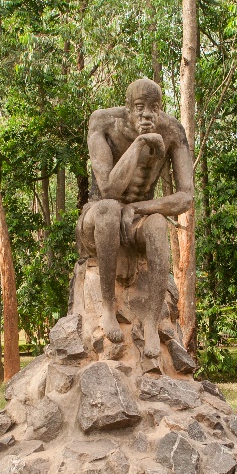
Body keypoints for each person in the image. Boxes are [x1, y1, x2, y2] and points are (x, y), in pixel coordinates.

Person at [76, 78, 195, 358]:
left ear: (160, 108)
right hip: (98, 217)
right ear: (128, 108)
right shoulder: (104, 122)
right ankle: (107, 309)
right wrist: (139, 144)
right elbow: (108, 189)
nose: (146, 114)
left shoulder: (171, 130)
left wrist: (142, 209)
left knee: (156, 224)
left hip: (136, 218)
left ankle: (152, 324)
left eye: (153, 108)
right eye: (140, 107)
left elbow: (186, 197)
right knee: (109, 209)